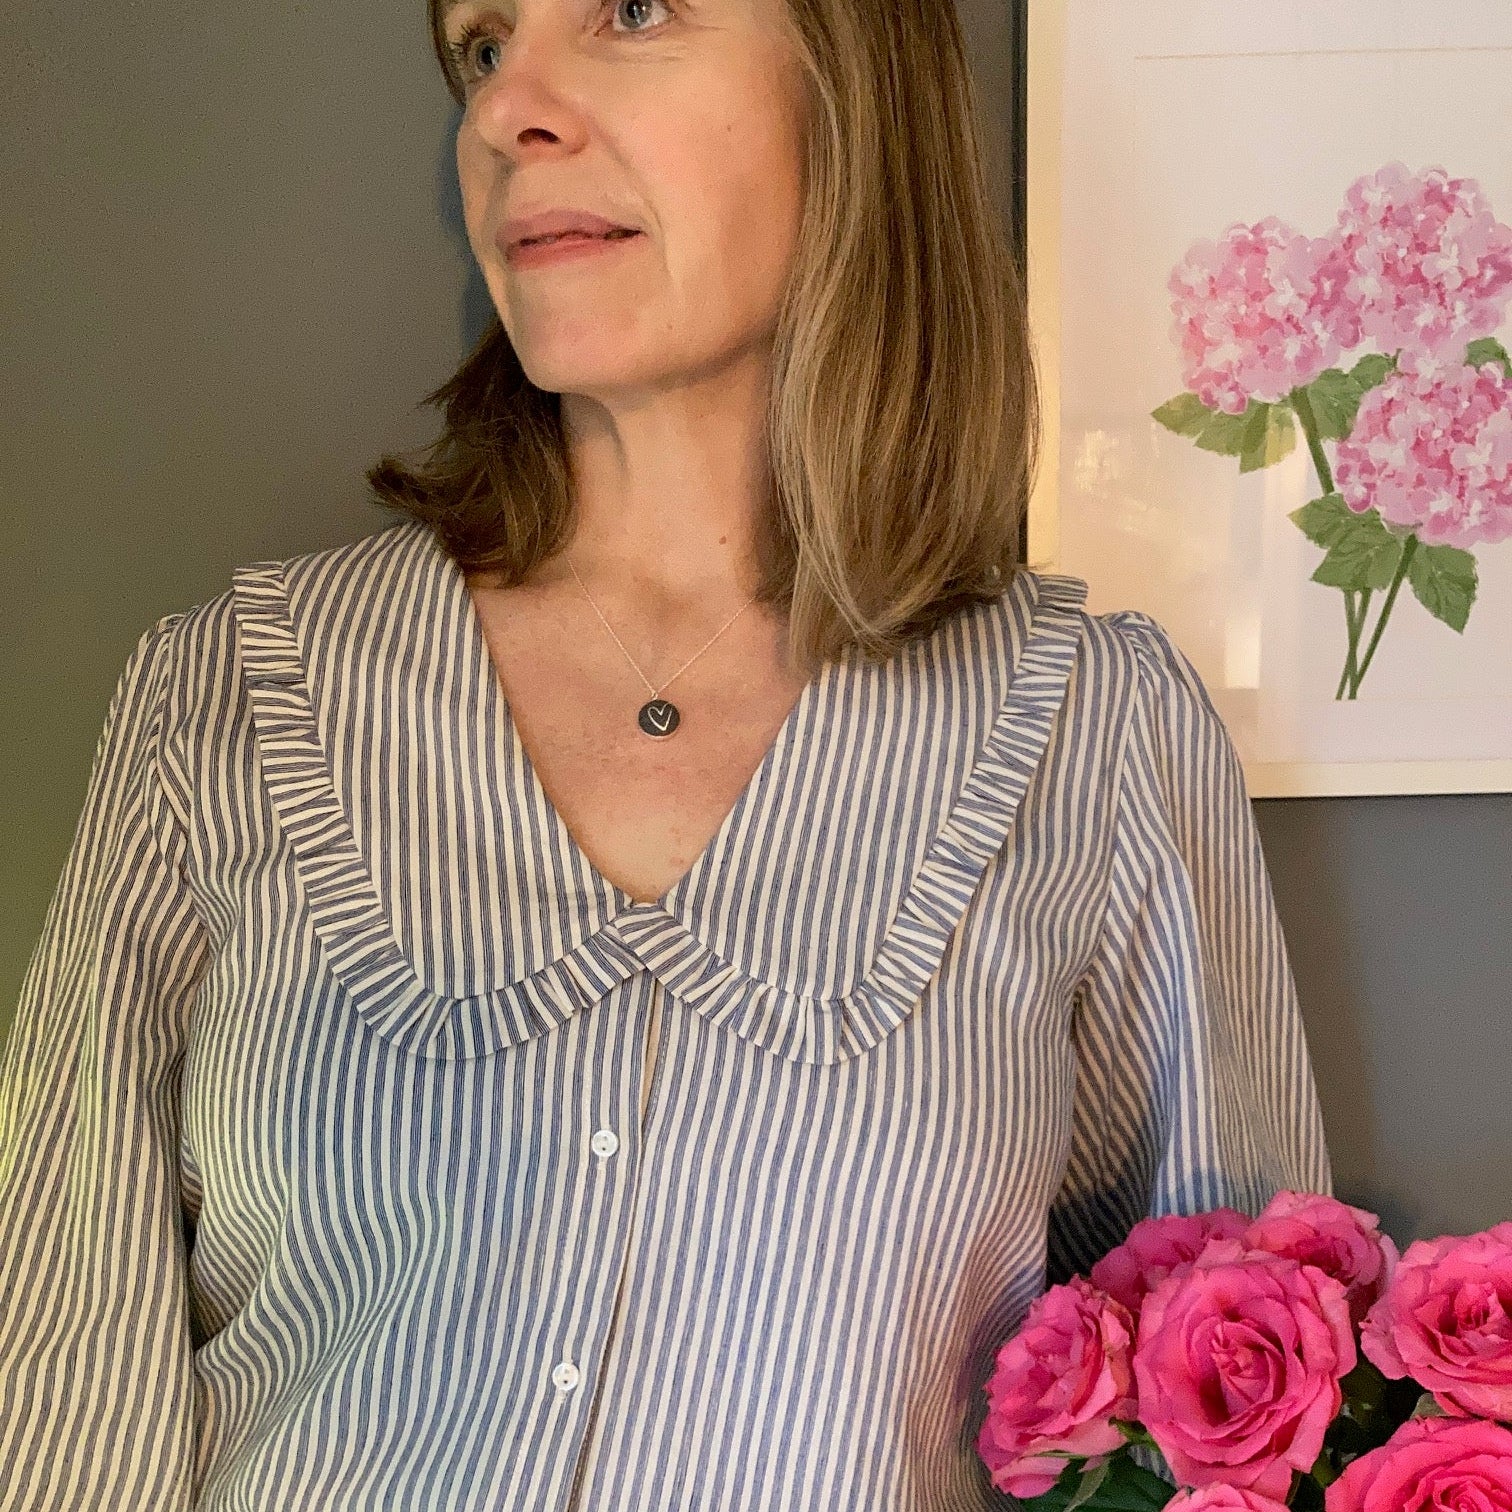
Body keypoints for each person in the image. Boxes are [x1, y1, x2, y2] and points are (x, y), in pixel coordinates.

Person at [0, 0, 1332, 1506]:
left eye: (631, 8)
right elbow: (62, 1379)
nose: (506, 109)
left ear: (850, 87)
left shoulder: (1096, 731)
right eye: (482, 44)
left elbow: (1238, 1426)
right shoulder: (232, 700)